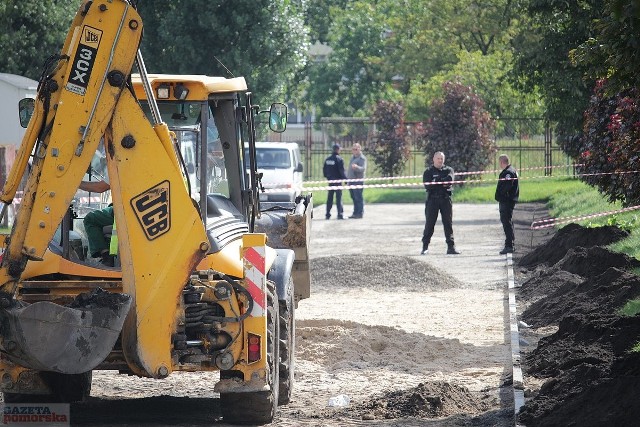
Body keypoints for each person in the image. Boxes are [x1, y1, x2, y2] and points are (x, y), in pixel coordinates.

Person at [421, 151, 459, 255]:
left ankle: (451, 247)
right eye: (438, 158)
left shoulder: (448, 170)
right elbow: (428, 185)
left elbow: (449, 181)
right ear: (433, 159)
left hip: (445, 199)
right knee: (430, 224)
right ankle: (425, 247)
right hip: (432, 200)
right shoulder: (428, 171)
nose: (440, 160)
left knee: (448, 223)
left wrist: (437, 181)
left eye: (442, 159)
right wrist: (441, 182)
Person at [80, 179, 115, 267]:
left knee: (90, 219)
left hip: (122, 209)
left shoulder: (120, 166)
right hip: (127, 207)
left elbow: (99, 187)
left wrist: (75, 182)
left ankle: (106, 255)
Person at [495, 154, 519, 254]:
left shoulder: (508, 173)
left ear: (501, 162)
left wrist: (501, 195)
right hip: (507, 200)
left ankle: (509, 245)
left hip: (506, 201)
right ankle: (510, 243)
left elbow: (507, 187)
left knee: (506, 223)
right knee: (507, 222)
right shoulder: (510, 171)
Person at [323, 143, 347, 220]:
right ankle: (340, 214)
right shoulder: (339, 159)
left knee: (330, 198)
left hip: (330, 181)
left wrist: (328, 177)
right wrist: (346, 180)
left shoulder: (328, 159)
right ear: (338, 149)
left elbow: (324, 170)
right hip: (338, 182)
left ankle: (327, 214)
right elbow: (341, 171)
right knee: (338, 198)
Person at [347, 143, 367, 219]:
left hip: (358, 181)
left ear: (359, 149)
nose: (354, 151)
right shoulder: (352, 158)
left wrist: (357, 167)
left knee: (358, 197)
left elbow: (363, 169)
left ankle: (360, 213)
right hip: (351, 181)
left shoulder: (362, 158)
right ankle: (355, 213)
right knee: (353, 197)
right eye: (353, 149)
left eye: (356, 149)